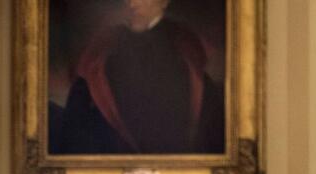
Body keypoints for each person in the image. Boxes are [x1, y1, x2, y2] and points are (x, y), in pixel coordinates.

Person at [54, 0, 224, 154]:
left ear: (164, 2)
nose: (132, 3)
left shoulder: (185, 48)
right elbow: (80, 115)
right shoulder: (103, 47)